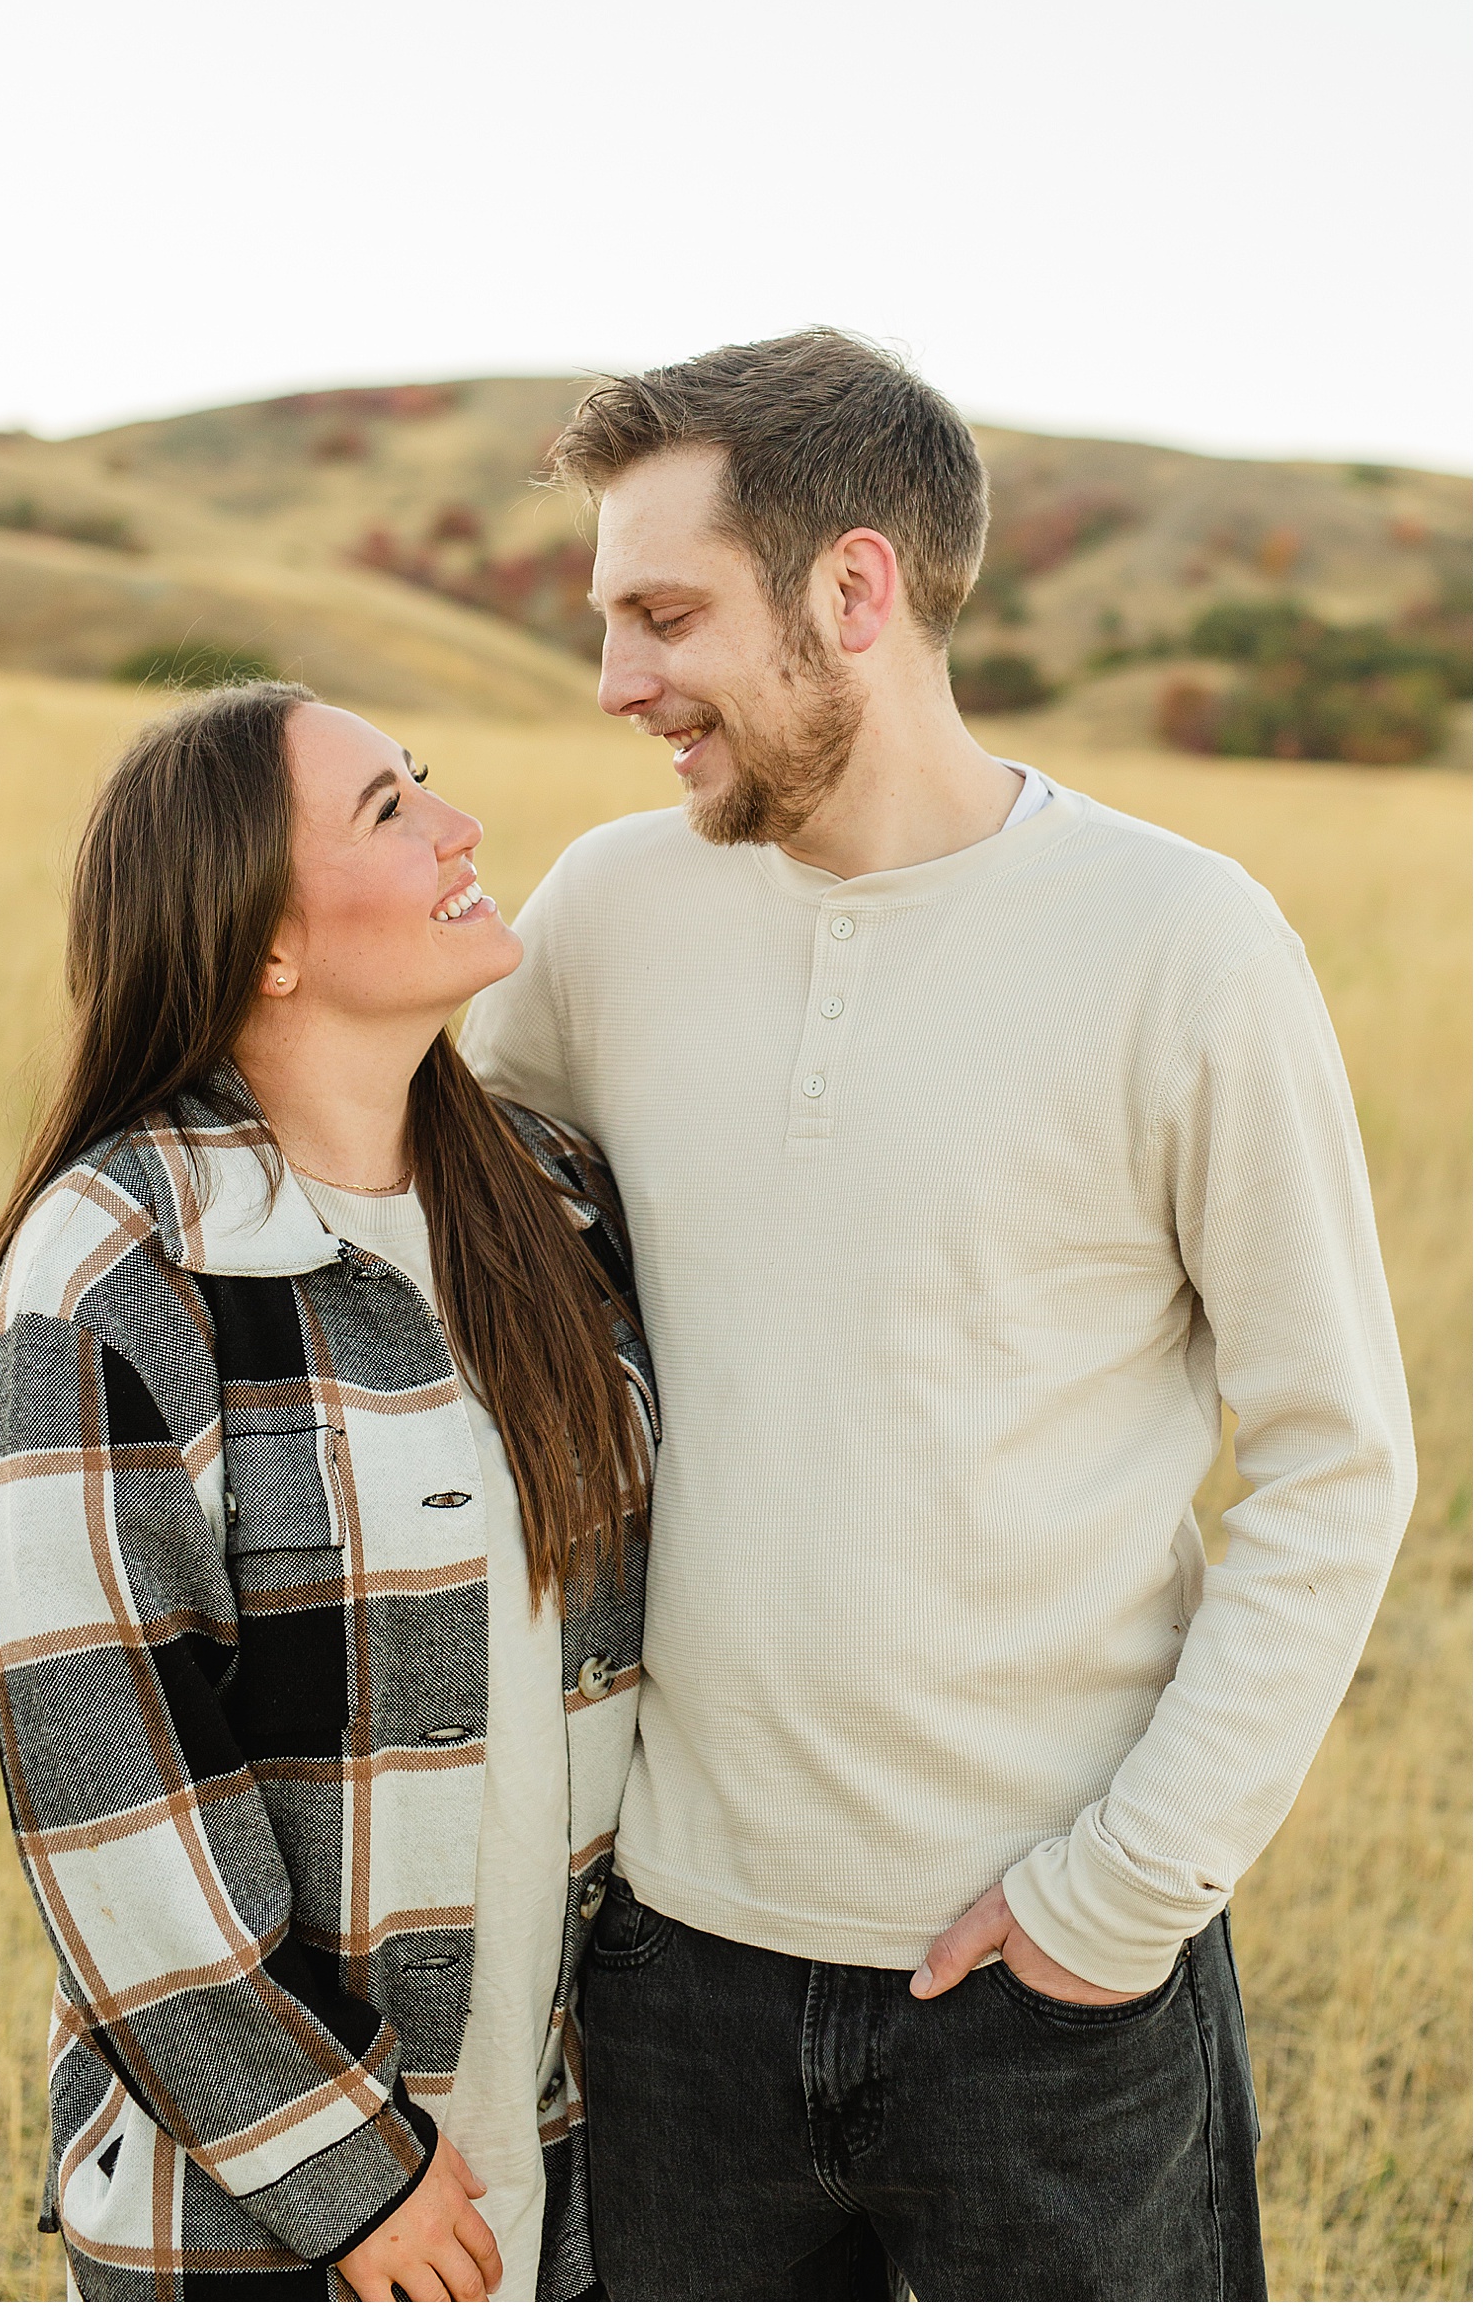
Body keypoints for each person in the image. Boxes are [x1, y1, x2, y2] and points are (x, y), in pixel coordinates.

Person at [461, 329, 1417, 2302]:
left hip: (1046, 1989)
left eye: (662, 612)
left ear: (854, 589)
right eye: (606, 619)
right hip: (668, 1969)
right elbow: (410, 1233)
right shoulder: (605, 913)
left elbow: (1336, 1463)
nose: (618, 677)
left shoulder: (1180, 941)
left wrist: (1123, 1894)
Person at [0, 681, 656, 2302]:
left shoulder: (551, 1206)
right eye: (387, 812)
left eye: (426, 781)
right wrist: (348, 2176)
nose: (459, 827)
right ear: (263, 941)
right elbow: (109, 1787)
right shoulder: (114, 1269)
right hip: (266, 2220)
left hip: (564, 2163)